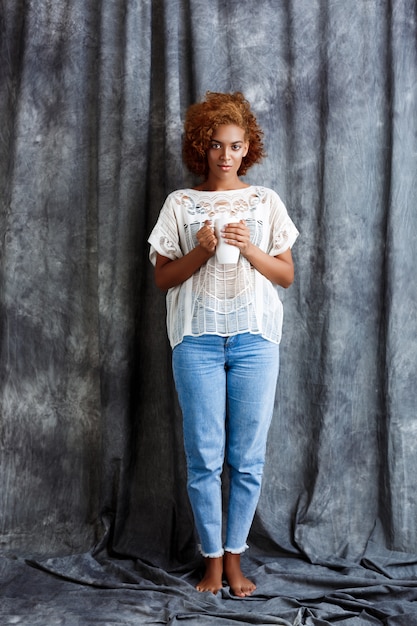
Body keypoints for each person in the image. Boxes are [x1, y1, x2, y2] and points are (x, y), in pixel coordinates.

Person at [148, 91, 299, 597]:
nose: (227, 155)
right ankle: (212, 562)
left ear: (248, 147)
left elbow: (286, 276)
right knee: (204, 457)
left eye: (236, 145)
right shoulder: (181, 204)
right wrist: (202, 250)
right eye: (216, 145)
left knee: (248, 457)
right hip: (196, 341)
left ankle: (236, 560)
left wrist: (248, 246)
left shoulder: (265, 202)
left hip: (256, 341)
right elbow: (164, 279)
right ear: (201, 147)